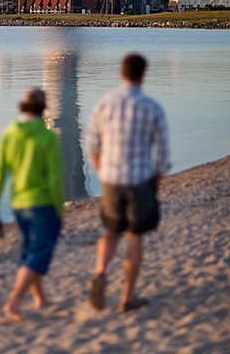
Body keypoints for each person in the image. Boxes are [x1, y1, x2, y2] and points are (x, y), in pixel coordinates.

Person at [86, 53, 171, 313]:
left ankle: (100, 272)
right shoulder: (151, 107)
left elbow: (91, 144)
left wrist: (101, 170)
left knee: (111, 231)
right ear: (142, 74)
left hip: (111, 179)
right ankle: (127, 296)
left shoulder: (104, 104)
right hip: (139, 180)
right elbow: (163, 155)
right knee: (135, 238)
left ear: (120, 73)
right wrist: (156, 178)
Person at [0, 88, 63, 322]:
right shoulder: (48, 137)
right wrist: (59, 208)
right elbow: (54, 178)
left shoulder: (9, 134)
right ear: (43, 108)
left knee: (30, 249)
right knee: (40, 252)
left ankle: (39, 298)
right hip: (42, 203)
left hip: (18, 203)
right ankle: (14, 301)